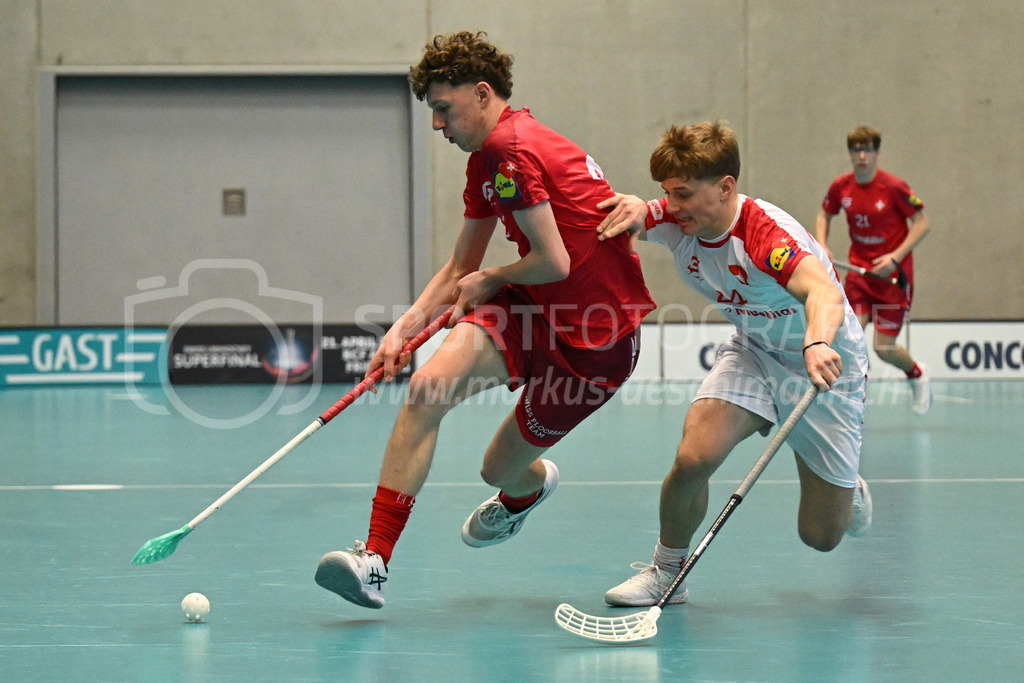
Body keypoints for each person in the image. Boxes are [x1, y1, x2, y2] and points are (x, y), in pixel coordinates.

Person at [314, 31, 654, 609]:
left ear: (481, 92)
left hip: (598, 340)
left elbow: (553, 261)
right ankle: (374, 560)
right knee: (426, 386)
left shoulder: (510, 150)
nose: (437, 126)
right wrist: (401, 332)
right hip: (531, 305)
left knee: (497, 469)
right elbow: (460, 267)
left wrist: (494, 277)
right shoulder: (486, 159)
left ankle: (526, 492)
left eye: (443, 110)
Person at [594, 120, 871, 608]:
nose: (672, 206)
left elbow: (822, 291)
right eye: (667, 193)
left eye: (683, 194)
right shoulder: (681, 221)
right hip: (756, 352)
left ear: (725, 188)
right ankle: (667, 573)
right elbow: (641, 212)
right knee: (692, 458)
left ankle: (849, 492)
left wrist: (816, 343)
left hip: (823, 363)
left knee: (821, 536)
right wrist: (639, 206)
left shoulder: (764, 233)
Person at [815, 125, 931, 414]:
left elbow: (922, 223)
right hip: (859, 274)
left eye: (867, 150)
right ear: (850, 154)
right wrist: (822, 245)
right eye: (856, 150)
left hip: (893, 279)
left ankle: (917, 373)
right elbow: (824, 215)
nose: (862, 156)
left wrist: (895, 257)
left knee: (884, 348)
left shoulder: (894, 187)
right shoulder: (841, 187)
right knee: (849, 336)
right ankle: (852, 400)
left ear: (878, 153)